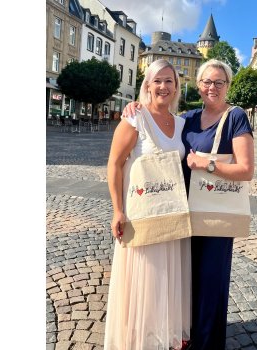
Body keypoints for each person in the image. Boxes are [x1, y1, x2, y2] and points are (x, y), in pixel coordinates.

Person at [122, 59, 255, 349]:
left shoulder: (236, 117)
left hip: (216, 216)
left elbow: (246, 170)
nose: (212, 87)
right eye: (207, 81)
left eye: (219, 82)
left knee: (210, 285)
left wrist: (205, 164)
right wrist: (135, 107)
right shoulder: (190, 118)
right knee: (185, 283)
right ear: (198, 85)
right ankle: (185, 338)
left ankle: (207, 344)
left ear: (227, 85)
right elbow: (161, 129)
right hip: (183, 214)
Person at [104, 59, 191, 350]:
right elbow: (115, 165)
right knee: (142, 279)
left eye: (169, 81)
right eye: (158, 80)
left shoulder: (181, 124)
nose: (164, 86)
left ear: (177, 87)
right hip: (141, 213)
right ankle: (138, 339)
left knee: (164, 277)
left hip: (170, 213)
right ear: (148, 85)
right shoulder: (134, 118)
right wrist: (118, 210)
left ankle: (160, 333)